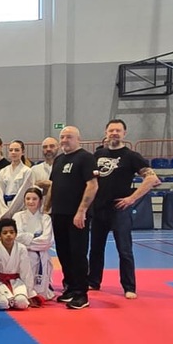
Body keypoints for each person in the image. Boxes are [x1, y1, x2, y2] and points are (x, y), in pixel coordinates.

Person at [89, 119, 159, 300]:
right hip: (99, 208)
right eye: (111, 130)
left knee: (124, 250)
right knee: (95, 249)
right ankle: (93, 281)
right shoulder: (98, 154)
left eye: (118, 130)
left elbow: (152, 179)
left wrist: (132, 198)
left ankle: (129, 286)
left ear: (124, 134)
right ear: (106, 132)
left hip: (119, 209)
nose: (114, 133)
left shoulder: (131, 156)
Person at [47, 126, 98, 310]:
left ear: (78, 139)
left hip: (76, 215)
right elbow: (53, 186)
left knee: (78, 253)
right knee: (63, 253)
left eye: (69, 137)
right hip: (59, 213)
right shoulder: (59, 159)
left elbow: (92, 185)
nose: (64, 140)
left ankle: (81, 293)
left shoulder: (86, 158)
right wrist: (46, 209)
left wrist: (82, 210)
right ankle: (69, 287)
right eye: (62, 137)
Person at [0, 140, 34, 219]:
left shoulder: (27, 171)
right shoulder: (3, 171)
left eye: (16, 150)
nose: (13, 152)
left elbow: (23, 192)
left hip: (20, 208)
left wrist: (11, 211)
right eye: (11, 150)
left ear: (22, 152)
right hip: (5, 208)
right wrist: (3, 211)